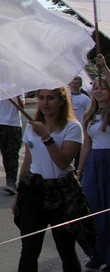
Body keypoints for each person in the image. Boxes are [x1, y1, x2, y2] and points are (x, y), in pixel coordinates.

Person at [12, 87, 95, 272]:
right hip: (34, 190)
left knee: (65, 249)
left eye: (50, 98)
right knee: (29, 250)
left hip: (61, 192)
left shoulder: (72, 126)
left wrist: (46, 137)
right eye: (41, 98)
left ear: (61, 101)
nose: (45, 103)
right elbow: (26, 163)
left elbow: (63, 162)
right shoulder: (33, 126)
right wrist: (19, 196)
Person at [77, 55, 110, 271]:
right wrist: (79, 170)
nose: (98, 91)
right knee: (93, 210)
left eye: (103, 87)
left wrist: (104, 67)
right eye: (95, 87)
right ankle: (97, 253)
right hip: (94, 165)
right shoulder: (90, 115)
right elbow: (86, 146)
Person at [0, 95, 24, 195]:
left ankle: (12, 182)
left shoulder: (19, 88)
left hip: (14, 125)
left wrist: (18, 97)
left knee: (13, 153)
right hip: (0, 123)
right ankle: (8, 178)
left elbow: (22, 107)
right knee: (5, 153)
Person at [69, 75, 91, 169]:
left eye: (76, 83)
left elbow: (90, 112)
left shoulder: (85, 99)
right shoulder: (66, 97)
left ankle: (78, 169)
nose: (74, 85)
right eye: (73, 83)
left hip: (81, 128)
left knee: (79, 151)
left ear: (80, 85)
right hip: (68, 126)